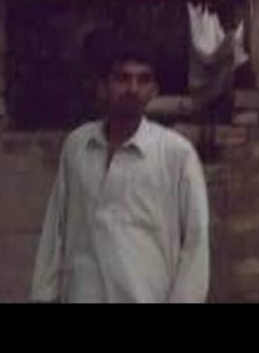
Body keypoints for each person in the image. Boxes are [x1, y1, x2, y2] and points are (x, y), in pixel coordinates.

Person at [31, 36, 210, 303]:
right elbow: (55, 232)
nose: (132, 88)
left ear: (154, 90)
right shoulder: (78, 147)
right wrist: (43, 296)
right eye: (122, 78)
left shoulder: (176, 155)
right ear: (103, 87)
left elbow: (196, 243)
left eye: (143, 80)